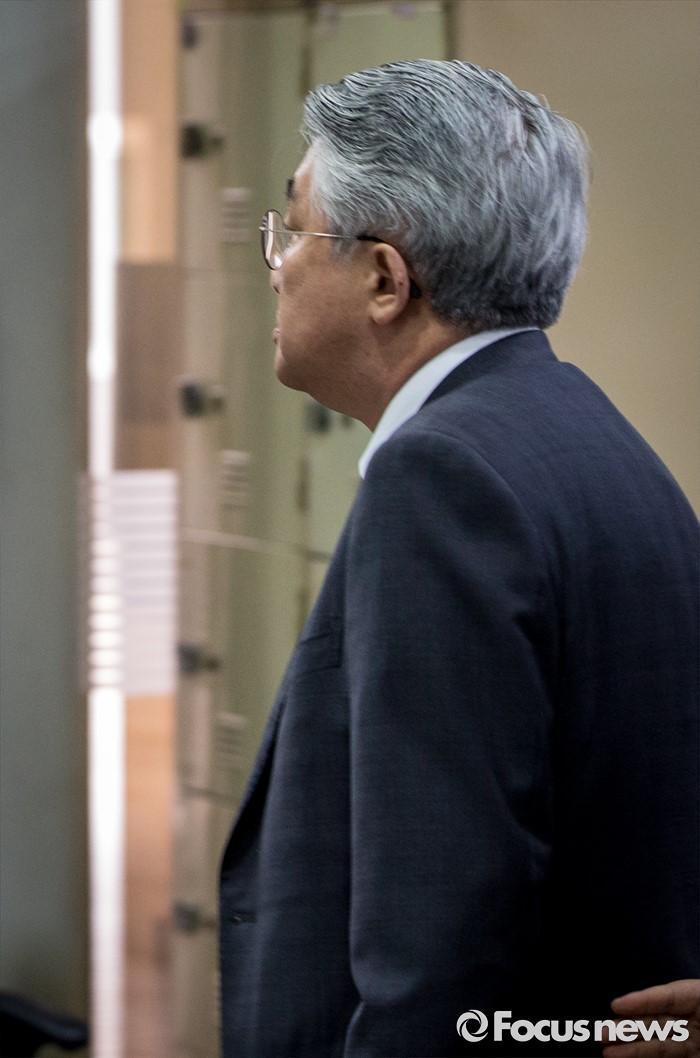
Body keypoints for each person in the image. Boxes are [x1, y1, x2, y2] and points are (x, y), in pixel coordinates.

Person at [219, 60, 699, 1057]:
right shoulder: (587, 436)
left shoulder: (439, 478)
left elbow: (440, 945)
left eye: (294, 228)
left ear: (384, 280)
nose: (276, 264)